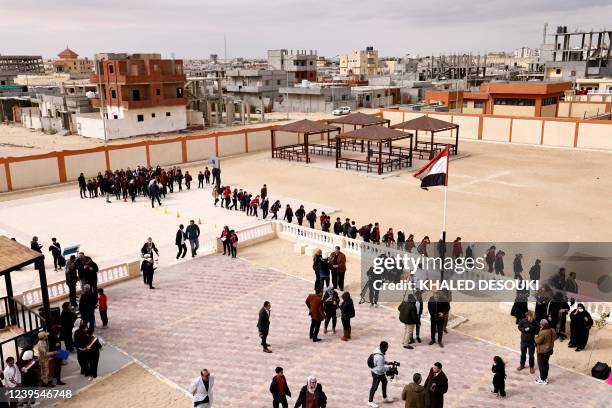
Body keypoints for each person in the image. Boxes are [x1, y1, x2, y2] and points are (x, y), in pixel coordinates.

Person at [368, 341, 393, 407]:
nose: (387, 348)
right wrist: (389, 368)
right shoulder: (379, 357)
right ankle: (370, 401)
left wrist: (386, 363)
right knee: (374, 387)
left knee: (385, 382)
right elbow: (380, 368)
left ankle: (384, 398)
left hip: (379, 372)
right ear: (383, 347)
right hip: (376, 373)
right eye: (387, 347)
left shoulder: (378, 350)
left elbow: (379, 362)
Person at [534, 319, 556, 384]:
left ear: (543, 325)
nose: (540, 326)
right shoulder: (552, 329)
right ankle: (545, 377)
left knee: (541, 365)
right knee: (546, 364)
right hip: (549, 350)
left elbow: (537, 341)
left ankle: (543, 379)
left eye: (541, 324)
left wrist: (535, 337)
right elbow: (555, 337)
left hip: (542, 351)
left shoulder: (543, 332)